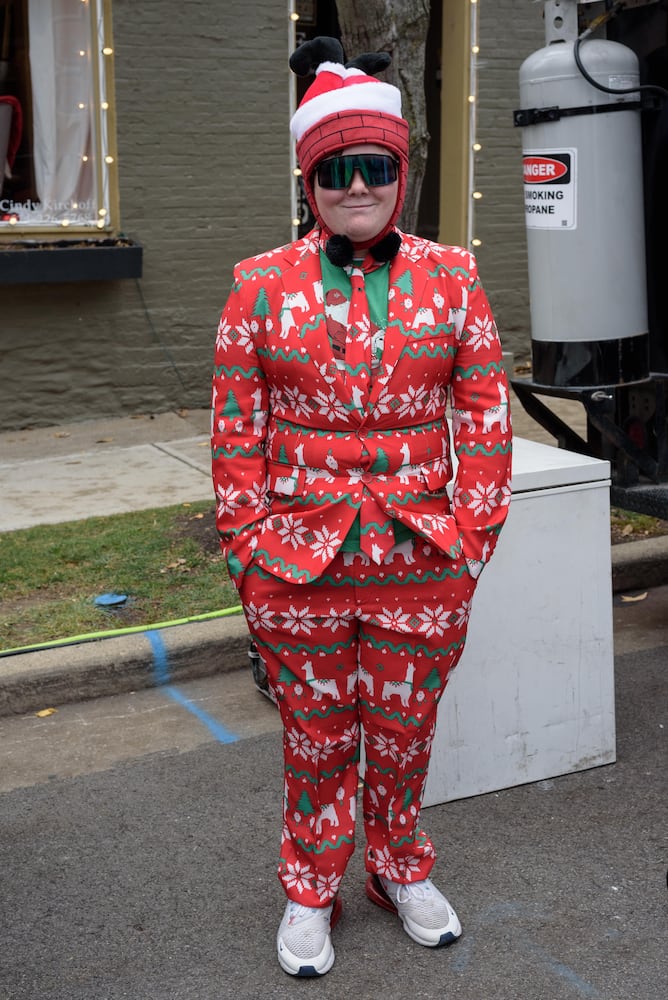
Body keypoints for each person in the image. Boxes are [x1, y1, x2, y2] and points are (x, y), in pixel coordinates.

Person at [211, 36, 512, 978]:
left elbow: (486, 411)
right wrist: (250, 549)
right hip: (297, 564)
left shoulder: (454, 277)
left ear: (399, 171)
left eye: (372, 166)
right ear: (310, 181)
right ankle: (311, 887)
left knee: (405, 732)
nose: (355, 185)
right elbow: (234, 431)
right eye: (333, 169)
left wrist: (473, 536)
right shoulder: (259, 288)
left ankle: (395, 866)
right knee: (315, 736)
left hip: (424, 560)